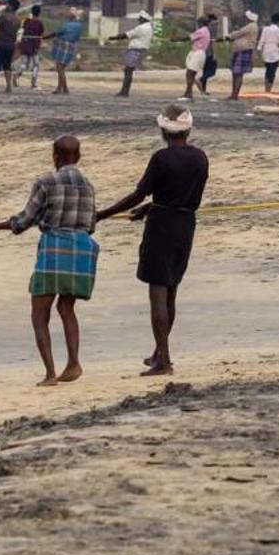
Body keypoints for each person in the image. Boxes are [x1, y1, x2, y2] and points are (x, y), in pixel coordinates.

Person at [95, 102, 208, 377]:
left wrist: (103, 214)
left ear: (162, 131)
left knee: (157, 293)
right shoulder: (201, 157)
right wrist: (151, 207)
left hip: (162, 227)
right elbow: (181, 197)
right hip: (185, 224)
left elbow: (139, 194)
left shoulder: (161, 159)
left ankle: (164, 360)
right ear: (188, 130)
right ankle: (160, 352)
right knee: (171, 290)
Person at [0, 135, 96, 385]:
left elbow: (25, 220)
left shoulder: (46, 182)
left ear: (55, 156)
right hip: (82, 250)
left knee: (39, 314)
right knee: (66, 308)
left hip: (54, 250)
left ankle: (50, 374)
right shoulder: (88, 184)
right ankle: (74, 363)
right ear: (79, 156)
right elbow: (91, 224)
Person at [112, 10, 154, 98]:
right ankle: (124, 91)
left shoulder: (141, 28)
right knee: (128, 70)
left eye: (140, 18)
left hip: (135, 50)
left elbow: (127, 35)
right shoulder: (149, 27)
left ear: (143, 19)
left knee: (128, 70)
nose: (139, 19)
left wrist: (113, 38)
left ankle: (124, 91)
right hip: (140, 50)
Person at [0, 0, 23, 94]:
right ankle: (8, 87)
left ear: (11, 6)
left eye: (7, 4)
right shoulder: (18, 19)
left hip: (0, 45)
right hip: (11, 46)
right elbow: (7, 30)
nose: (5, 6)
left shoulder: (3, 16)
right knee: (7, 66)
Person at [49, 7, 83, 95]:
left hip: (64, 45)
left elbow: (58, 32)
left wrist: (46, 37)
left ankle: (64, 88)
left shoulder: (68, 25)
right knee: (62, 69)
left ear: (71, 16)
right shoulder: (79, 25)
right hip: (72, 46)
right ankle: (62, 89)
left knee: (59, 68)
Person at [227, 14, 259, 99]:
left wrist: (229, 36)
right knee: (236, 73)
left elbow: (238, 33)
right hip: (240, 50)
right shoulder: (252, 26)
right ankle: (234, 94)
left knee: (238, 73)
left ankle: (235, 94)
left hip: (243, 50)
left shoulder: (251, 26)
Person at [182, 13, 212, 99]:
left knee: (189, 73)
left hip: (197, 53)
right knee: (191, 74)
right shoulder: (206, 30)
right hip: (200, 53)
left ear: (201, 23)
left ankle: (189, 94)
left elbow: (190, 37)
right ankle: (188, 92)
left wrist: (177, 39)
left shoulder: (201, 31)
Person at [257, 13, 279, 93]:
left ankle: (266, 88)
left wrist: (259, 48)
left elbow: (261, 40)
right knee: (272, 71)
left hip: (266, 51)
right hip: (274, 52)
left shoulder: (265, 29)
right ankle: (269, 89)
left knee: (267, 70)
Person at [19, 4, 46, 89]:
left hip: (26, 43)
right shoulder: (39, 22)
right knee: (36, 64)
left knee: (24, 63)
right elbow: (41, 33)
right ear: (39, 13)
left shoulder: (27, 21)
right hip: (35, 45)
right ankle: (33, 83)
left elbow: (22, 27)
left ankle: (16, 76)